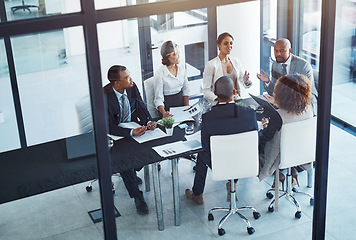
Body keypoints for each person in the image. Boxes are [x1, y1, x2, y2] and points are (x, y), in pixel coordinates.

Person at [185, 76, 257, 205]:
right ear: (234, 92)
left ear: (216, 95)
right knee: (239, 148)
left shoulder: (208, 118)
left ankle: (197, 194)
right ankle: (233, 182)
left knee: (202, 152)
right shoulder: (249, 113)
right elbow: (255, 140)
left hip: (220, 166)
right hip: (246, 163)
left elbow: (206, 146)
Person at [103, 65, 157, 215]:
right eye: (126, 77)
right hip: (114, 135)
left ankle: (131, 172)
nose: (131, 79)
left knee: (147, 151)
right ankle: (137, 196)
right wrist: (131, 132)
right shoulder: (104, 95)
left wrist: (148, 122)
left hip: (132, 128)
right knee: (125, 162)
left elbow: (141, 106)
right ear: (117, 83)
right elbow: (108, 126)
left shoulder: (132, 87)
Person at [258, 74, 314, 187]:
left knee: (257, 141)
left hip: (281, 156)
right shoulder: (309, 108)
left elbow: (266, 138)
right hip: (303, 151)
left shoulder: (278, 116)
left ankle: (279, 174)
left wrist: (265, 127)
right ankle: (292, 173)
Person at [257, 38, 318, 115]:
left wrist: (279, 103)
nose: (278, 54)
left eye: (282, 51)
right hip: (285, 104)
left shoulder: (303, 66)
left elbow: (303, 95)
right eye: (276, 51)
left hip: (304, 106)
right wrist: (268, 81)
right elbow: (275, 91)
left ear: (289, 51)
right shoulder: (275, 65)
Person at [202, 32, 252, 110]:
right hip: (219, 104)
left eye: (231, 43)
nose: (229, 46)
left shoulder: (236, 62)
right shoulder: (211, 65)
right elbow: (206, 90)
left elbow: (246, 85)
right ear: (219, 45)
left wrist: (246, 81)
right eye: (226, 43)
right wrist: (218, 100)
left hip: (236, 102)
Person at [154, 41, 190, 117]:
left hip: (182, 104)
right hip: (168, 108)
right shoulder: (160, 74)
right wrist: (164, 113)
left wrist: (187, 107)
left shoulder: (182, 68)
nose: (178, 56)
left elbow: (186, 89)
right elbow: (158, 99)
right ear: (167, 57)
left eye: (178, 53)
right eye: (175, 54)